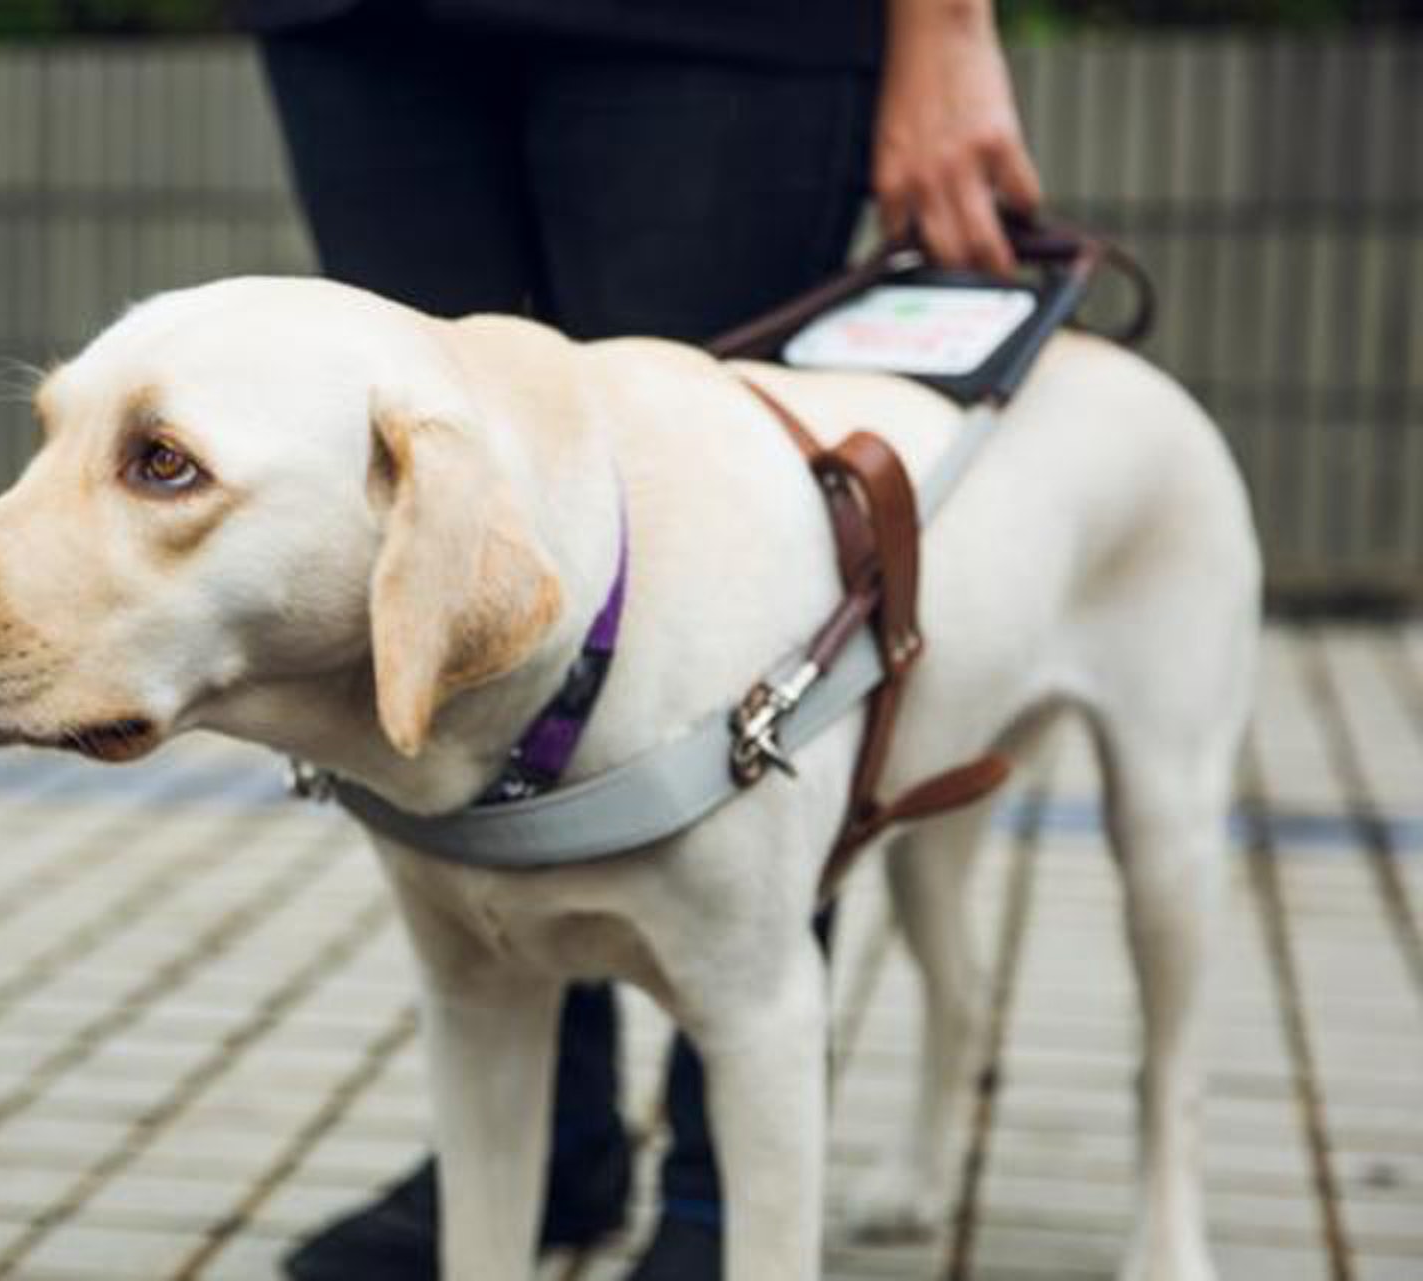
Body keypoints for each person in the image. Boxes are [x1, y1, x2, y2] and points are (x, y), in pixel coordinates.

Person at [240, 1, 1043, 1276]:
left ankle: (725, 1189)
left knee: (737, 589)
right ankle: (547, 1143)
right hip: (368, 26)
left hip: (708, 31)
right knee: (446, 563)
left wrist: (945, 28)